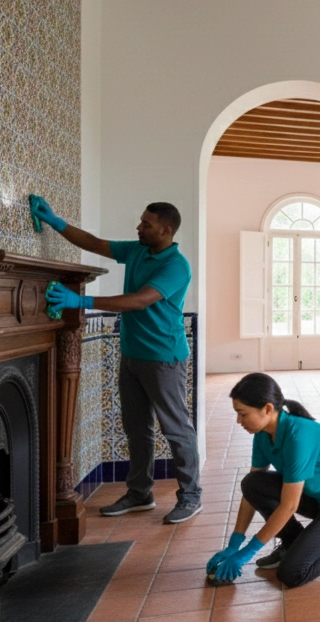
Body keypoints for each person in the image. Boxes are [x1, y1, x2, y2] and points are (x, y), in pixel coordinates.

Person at [35, 200, 202, 524]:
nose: (139, 228)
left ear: (166, 230)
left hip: (164, 358)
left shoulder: (176, 266)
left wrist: (81, 301)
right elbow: (96, 244)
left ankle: (191, 496)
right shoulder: (138, 250)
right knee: (136, 428)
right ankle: (140, 494)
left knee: (176, 429)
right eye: (141, 222)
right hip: (133, 354)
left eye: (146, 224)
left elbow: (139, 301)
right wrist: (56, 222)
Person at [206, 373, 320, 587]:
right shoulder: (263, 434)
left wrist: (248, 552)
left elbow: (289, 505)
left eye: (242, 414)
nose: (239, 421)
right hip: (317, 498)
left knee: (292, 573)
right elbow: (251, 492)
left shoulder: (298, 436)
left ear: (267, 409)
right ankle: (293, 541)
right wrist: (234, 543)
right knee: (252, 482)